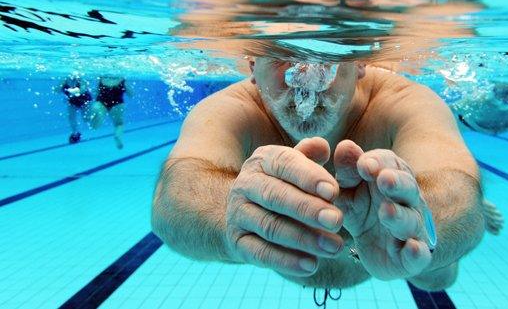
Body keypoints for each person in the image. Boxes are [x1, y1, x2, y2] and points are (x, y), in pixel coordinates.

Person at [152, 58, 489, 292]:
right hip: (348, 261)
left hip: (383, 261)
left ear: (359, 63)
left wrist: (417, 225)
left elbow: (457, 192)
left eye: (328, 55)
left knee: (436, 277)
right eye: (281, 55)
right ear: (252, 65)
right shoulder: (234, 108)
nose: (304, 76)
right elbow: (177, 194)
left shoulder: (400, 101)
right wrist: (231, 218)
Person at [90, 76, 131, 149]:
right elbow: (131, 94)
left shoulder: (102, 77)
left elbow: (96, 92)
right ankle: (117, 135)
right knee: (119, 123)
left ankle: (99, 115)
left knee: (94, 126)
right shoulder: (121, 78)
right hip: (117, 102)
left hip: (102, 100)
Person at [57, 73, 93, 144]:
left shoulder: (81, 80)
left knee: (86, 119)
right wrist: (61, 87)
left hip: (84, 100)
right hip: (72, 101)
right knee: (71, 117)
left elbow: (83, 89)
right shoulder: (64, 80)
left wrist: (73, 91)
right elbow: (57, 90)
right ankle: (75, 134)